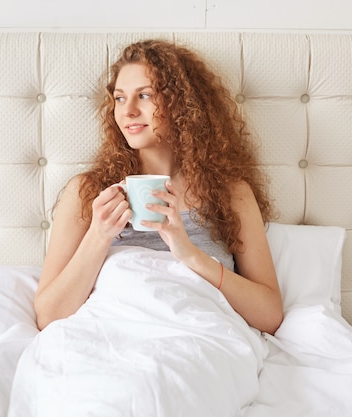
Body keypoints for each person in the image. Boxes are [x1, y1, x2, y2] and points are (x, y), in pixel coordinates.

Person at [33, 39, 283, 336]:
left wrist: (189, 254)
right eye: (120, 98)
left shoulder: (230, 194)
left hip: (199, 337)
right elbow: (48, 317)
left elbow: (269, 316)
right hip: (112, 336)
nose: (128, 111)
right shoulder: (88, 192)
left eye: (145, 95)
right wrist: (99, 236)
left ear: (181, 104)